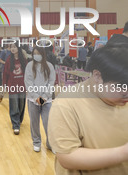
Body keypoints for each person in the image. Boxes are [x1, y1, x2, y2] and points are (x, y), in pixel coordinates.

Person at [48, 44, 128, 174]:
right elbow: (68, 157)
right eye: (123, 90)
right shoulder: (67, 103)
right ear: (97, 76)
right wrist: (123, 153)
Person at [24, 46, 56, 152]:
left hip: (47, 100)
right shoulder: (29, 66)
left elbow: (51, 82)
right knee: (34, 122)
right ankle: (36, 142)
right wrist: (36, 97)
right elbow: (28, 82)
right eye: (35, 53)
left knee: (48, 122)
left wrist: (45, 96)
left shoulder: (49, 66)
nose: (36, 55)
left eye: (38, 53)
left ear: (43, 54)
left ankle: (51, 143)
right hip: (33, 99)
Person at [2, 43, 27, 135]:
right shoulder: (9, 59)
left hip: (22, 86)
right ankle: (15, 125)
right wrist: (4, 85)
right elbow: (5, 73)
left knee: (21, 105)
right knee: (14, 106)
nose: (12, 49)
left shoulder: (23, 60)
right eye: (11, 47)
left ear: (18, 48)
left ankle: (19, 120)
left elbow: (27, 73)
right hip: (12, 86)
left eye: (15, 47)